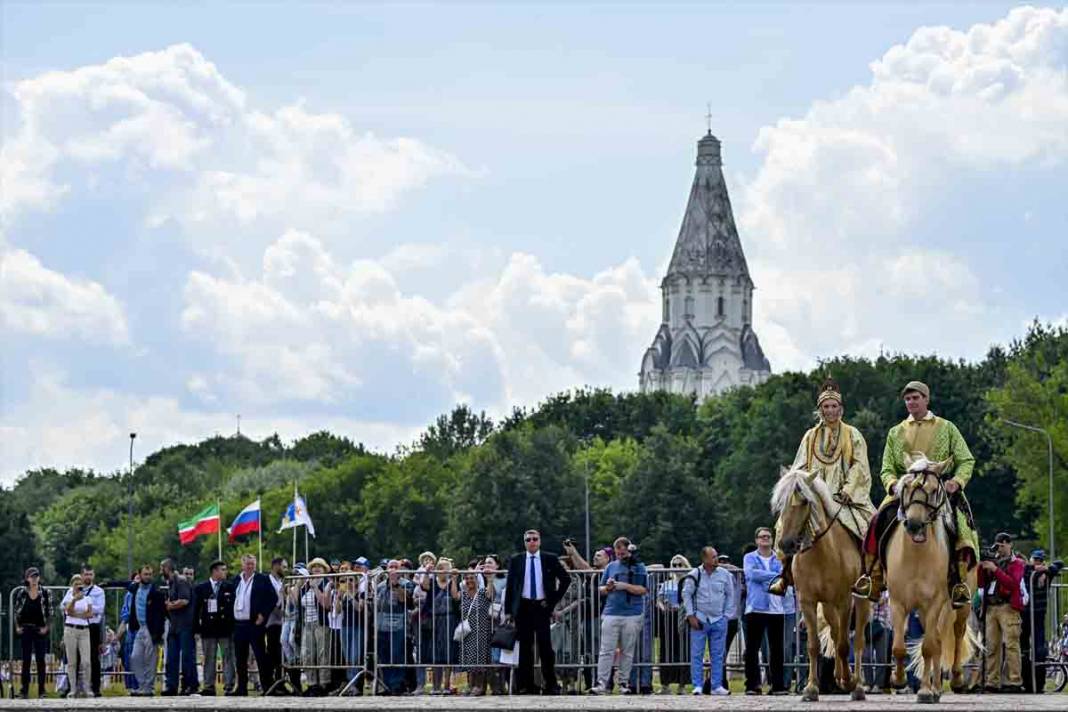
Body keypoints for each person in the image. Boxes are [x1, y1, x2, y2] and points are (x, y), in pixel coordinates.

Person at [853, 381, 979, 608]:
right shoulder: (896, 432)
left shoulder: (947, 427)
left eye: (916, 398)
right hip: (906, 490)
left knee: (961, 525)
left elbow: (966, 460)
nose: (911, 402)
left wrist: (957, 482)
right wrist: (892, 484)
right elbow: (887, 468)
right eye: (908, 399)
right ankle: (872, 576)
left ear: (926, 399)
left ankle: (958, 581)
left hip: (937, 490)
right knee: (876, 521)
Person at [769, 379, 875, 595]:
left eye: (834, 406)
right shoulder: (810, 436)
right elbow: (799, 465)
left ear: (841, 409)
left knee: (869, 525)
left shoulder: (853, 435)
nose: (830, 411)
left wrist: (848, 490)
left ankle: (870, 576)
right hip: (813, 495)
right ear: (820, 410)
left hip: (844, 496)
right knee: (784, 525)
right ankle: (785, 573)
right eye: (826, 407)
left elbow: (860, 466)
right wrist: (798, 485)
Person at [504, 529, 572, 695]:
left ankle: (551, 684)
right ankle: (525, 685)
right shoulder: (516, 560)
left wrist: (552, 601)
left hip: (542, 606)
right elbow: (511, 586)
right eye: (528, 540)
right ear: (524, 542)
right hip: (523, 607)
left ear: (540, 541)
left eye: (535, 539)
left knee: (545, 647)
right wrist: (508, 611)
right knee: (525, 648)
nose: (532, 542)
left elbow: (565, 579)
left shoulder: (549, 558)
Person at [681, 546, 735, 696]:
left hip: (719, 619)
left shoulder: (725, 575)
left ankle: (716, 685)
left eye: (716, 556)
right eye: (713, 557)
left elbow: (730, 595)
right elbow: (686, 594)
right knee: (697, 653)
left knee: (718, 654)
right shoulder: (695, 574)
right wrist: (691, 615)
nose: (716, 559)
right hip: (700, 618)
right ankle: (697, 684)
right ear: (704, 559)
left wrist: (726, 616)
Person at [979, 532, 1025, 692]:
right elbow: (981, 584)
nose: (999, 549)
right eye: (998, 546)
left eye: (1002, 545)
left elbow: (1013, 584)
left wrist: (995, 570)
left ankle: (1014, 681)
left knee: (1011, 645)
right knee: (991, 647)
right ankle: (992, 681)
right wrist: (983, 568)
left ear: (1009, 544)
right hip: (991, 607)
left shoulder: (1017, 563)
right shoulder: (994, 561)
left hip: (1008, 607)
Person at [743, 527, 788, 695]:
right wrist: (774, 576)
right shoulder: (750, 557)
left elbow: (784, 574)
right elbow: (752, 574)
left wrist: (768, 577)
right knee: (752, 648)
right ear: (756, 540)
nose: (765, 539)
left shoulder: (779, 557)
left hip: (776, 608)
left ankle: (777, 685)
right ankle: (752, 685)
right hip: (756, 607)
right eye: (762, 537)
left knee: (777, 649)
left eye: (768, 536)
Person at [231, 553, 276, 696]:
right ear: (242, 565)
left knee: (260, 656)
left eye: (252, 564)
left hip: (254, 623)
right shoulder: (236, 580)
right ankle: (241, 688)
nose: (250, 566)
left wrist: (263, 614)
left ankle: (267, 686)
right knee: (240, 658)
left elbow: (272, 598)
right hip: (239, 624)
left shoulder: (262, 579)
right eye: (247, 564)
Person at [1022, 549, 1063, 693]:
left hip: (1039, 616)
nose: (1038, 563)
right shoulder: (1027, 571)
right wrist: (1034, 568)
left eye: (1040, 561)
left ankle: (1039, 684)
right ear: (1031, 560)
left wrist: (1047, 569)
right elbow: (1023, 567)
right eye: (1035, 560)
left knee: (1040, 650)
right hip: (1025, 616)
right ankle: (1026, 683)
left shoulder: (1047, 574)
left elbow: (1059, 563)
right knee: (1024, 650)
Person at [453, 558, 495, 695]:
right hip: (467, 631)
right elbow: (454, 595)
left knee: (480, 659)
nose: (470, 580)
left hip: (481, 630)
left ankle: (479, 686)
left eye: (472, 578)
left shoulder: (482, 592)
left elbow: (491, 594)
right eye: (467, 578)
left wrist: (489, 579)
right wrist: (454, 579)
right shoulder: (464, 594)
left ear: (477, 579)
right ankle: (471, 686)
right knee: (469, 660)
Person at [194, 560, 236, 695]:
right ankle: (208, 686)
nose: (225, 572)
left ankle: (229, 685)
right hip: (208, 628)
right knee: (209, 658)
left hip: (225, 628)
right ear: (214, 571)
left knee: (228, 657)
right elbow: (196, 610)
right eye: (222, 570)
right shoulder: (202, 588)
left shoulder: (229, 587)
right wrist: (197, 628)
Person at [374, 559, 414, 694]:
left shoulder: (406, 584)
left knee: (397, 655)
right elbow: (376, 606)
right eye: (390, 566)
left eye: (395, 567)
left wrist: (396, 585)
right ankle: (387, 684)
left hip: (399, 625)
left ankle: (397, 684)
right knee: (384, 656)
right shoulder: (379, 586)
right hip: (382, 626)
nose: (392, 569)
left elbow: (405, 601)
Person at [127, 564, 166, 696]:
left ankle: (148, 687)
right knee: (135, 657)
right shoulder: (135, 588)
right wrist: (107, 584)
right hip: (140, 627)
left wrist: (158, 634)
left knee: (151, 659)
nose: (148, 577)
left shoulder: (156, 592)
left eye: (150, 574)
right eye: (145, 574)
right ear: (140, 575)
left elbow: (161, 614)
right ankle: (142, 684)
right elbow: (124, 583)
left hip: (151, 629)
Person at [161, 558, 198, 695]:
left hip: (185, 625)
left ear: (167, 568)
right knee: (171, 657)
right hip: (174, 625)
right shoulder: (170, 583)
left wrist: (170, 605)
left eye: (162, 568)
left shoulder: (181, 581)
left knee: (187, 657)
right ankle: (172, 686)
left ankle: (190, 685)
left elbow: (184, 600)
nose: (161, 571)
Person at [656, 555, 692, 695]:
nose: (677, 568)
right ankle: (665, 684)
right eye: (674, 565)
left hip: (684, 617)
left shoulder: (689, 582)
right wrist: (663, 607)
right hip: (669, 618)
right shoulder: (667, 584)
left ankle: (682, 685)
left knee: (684, 650)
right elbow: (658, 599)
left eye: (680, 564)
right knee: (666, 650)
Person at [14, 566, 52, 698]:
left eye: (36, 577)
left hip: (39, 629)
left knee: (41, 660)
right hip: (26, 628)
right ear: (27, 579)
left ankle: (42, 690)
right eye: (31, 577)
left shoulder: (45, 593)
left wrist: (47, 628)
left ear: (39, 578)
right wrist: (17, 627)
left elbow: (50, 612)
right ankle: (24, 690)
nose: (34, 579)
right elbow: (16, 612)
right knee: (26, 660)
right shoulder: (22, 593)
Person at [298, 557, 333, 695]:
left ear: (324, 569)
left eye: (320, 566)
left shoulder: (327, 583)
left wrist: (315, 588)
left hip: (321, 623)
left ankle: (324, 684)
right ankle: (312, 684)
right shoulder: (306, 584)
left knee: (322, 654)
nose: (317, 568)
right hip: (307, 623)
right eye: (314, 566)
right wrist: (298, 584)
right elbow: (296, 601)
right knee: (307, 654)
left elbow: (326, 604)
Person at [75, 565, 107, 697]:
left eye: (90, 574)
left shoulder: (99, 591)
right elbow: (66, 607)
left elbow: (100, 609)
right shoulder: (75, 589)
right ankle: (73, 688)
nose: (88, 577)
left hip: (92, 627)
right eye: (86, 574)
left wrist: (82, 608)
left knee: (94, 659)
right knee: (75, 658)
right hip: (78, 626)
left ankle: (96, 688)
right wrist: (88, 610)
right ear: (81, 575)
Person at [61, 573, 94, 698]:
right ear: (72, 586)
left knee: (86, 661)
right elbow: (67, 611)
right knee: (72, 661)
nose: (79, 586)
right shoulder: (69, 596)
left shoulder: (88, 598)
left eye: (80, 584)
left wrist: (77, 614)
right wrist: (75, 599)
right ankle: (73, 689)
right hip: (70, 630)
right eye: (76, 584)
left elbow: (90, 614)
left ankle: (87, 688)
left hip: (84, 630)